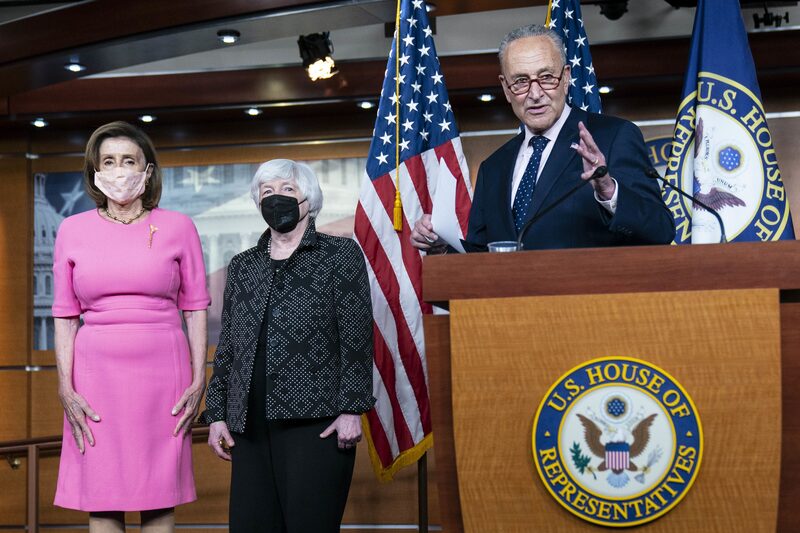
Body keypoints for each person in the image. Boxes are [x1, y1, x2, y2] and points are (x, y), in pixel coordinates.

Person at [201, 159, 375, 533]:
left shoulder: (339, 255)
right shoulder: (243, 265)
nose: (275, 198)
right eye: (267, 193)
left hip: (317, 423)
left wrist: (352, 408)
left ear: (308, 201)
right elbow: (229, 346)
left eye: (287, 190)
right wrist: (216, 413)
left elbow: (357, 337)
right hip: (248, 425)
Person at [52, 121, 210, 532]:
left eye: (129, 161)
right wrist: (65, 386)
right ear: (95, 172)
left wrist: (199, 378)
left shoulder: (179, 227)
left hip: (164, 376)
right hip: (94, 377)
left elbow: (195, 309)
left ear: (148, 171)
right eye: (109, 161)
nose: (119, 170)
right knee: (102, 499)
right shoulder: (72, 230)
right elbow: (65, 315)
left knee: (159, 497)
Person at [411, 24, 674, 251]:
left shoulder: (613, 137)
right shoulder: (494, 167)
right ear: (506, 88)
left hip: (589, 307)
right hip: (509, 309)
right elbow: (484, 257)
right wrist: (442, 247)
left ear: (566, 78)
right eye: (521, 81)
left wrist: (608, 190)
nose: (535, 93)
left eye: (546, 77)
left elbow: (660, 231)